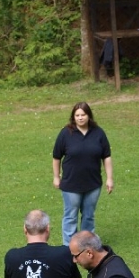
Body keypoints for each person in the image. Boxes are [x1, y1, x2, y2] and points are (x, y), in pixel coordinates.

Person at [52, 102, 114, 246]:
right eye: (77, 115)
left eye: (83, 115)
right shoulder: (65, 134)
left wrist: (110, 178)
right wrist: (56, 177)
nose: (80, 118)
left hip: (93, 184)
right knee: (71, 216)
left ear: (88, 116)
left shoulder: (98, 133)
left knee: (88, 216)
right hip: (71, 184)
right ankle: (69, 245)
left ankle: (87, 244)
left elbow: (107, 156)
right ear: (73, 117)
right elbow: (56, 157)